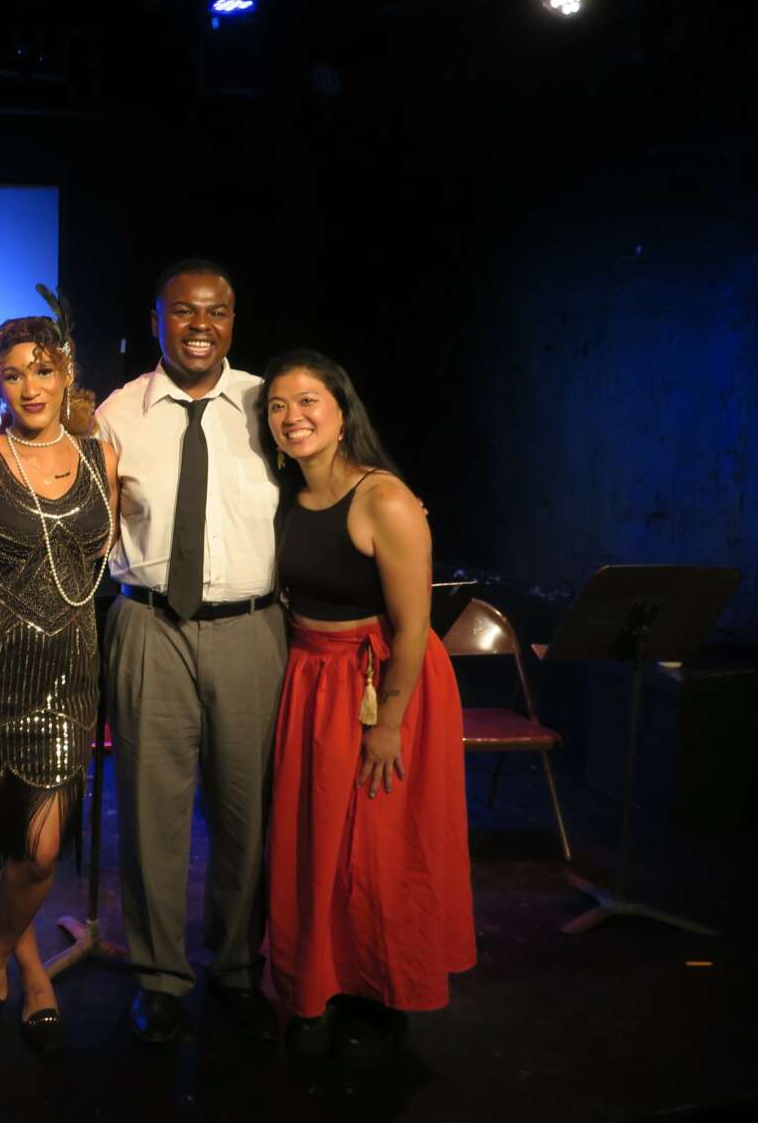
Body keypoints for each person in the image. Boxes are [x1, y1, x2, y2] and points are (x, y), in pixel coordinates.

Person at [259, 349, 475, 1064]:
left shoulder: (383, 499)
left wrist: (389, 726)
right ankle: (318, 983)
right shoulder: (288, 498)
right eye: (278, 405)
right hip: (312, 678)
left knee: (380, 847)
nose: (292, 417)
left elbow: (413, 628)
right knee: (318, 842)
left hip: (383, 682)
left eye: (308, 401)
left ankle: (381, 994)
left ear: (342, 410)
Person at [95, 258, 285, 1044]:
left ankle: (237, 967)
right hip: (149, 625)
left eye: (217, 311)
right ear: (156, 320)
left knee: (248, 810)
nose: (201, 325)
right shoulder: (116, 413)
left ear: (233, 322)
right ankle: (160, 977)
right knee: (151, 811)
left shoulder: (270, 405)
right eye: (183, 311)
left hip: (251, 628)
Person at [0, 304, 117, 1055]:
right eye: (11, 376)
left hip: (70, 673)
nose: (29, 387)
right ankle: (28, 970)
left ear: (66, 372)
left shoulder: (102, 460)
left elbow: (106, 556)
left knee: (42, 849)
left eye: (42, 371)